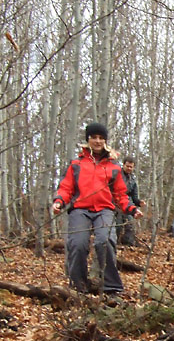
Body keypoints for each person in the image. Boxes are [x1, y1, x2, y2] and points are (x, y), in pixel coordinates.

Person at [52, 123, 143, 296]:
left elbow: (120, 195)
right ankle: (78, 287)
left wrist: (131, 209)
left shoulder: (114, 167)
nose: (97, 141)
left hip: (104, 210)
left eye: (101, 138)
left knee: (105, 240)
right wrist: (59, 202)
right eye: (94, 137)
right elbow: (66, 188)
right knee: (78, 244)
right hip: (80, 209)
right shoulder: (76, 164)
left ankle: (112, 288)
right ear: (88, 140)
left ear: (106, 141)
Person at [116, 156, 146, 246]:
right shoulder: (116, 175)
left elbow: (134, 196)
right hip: (115, 203)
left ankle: (128, 244)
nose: (129, 168)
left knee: (130, 224)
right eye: (127, 166)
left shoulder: (133, 179)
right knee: (118, 225)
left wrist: (139, 202)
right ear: (123, 165)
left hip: (128, 204)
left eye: (131, 167)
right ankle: (114, 244)